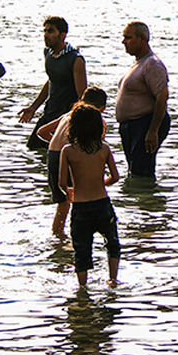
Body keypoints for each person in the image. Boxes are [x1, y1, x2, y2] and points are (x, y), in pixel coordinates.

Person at [58, 103, 121, 286]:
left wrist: (69, 192)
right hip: (102, 203)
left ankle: (83, 288)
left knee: (82, 249)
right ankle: (113, 279)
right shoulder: (104, 149)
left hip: (81, 207)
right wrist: (101, 184)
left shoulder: (68, 151)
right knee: (112, 243)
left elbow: (62, 183)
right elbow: (115, 177)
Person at [37, 86, 108, 237]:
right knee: (76, 201)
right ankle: (69, 237)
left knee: (62, 202)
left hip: (53, 155)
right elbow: (95, 150)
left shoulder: (68, 115)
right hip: (69, 158)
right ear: (102, 108)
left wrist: (61, 145)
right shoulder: (96, 120)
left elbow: (41, 132)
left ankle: (58, 237)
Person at [18, 16, 87, 150]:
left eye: (50, 31)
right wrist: (33, 108)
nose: (46, 35)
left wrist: (77, 122)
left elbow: (82, 96)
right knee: (33, 148)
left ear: (62, 35)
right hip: (50, 111)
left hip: (65, 115)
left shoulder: (75, 59)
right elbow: (51, 81)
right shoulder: (48, 53)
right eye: (45, 31)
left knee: (57, 153)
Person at [116, 21, 170, 179]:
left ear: (142, 39)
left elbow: (162, 96)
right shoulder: (138, 63)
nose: (123, 41)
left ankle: (147, 200)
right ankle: (138, 201)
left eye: (128, 37)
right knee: (134, 169)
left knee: (141, 171)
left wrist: (153, 131)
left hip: (145, 123)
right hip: (131, 126)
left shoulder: (152, 64)